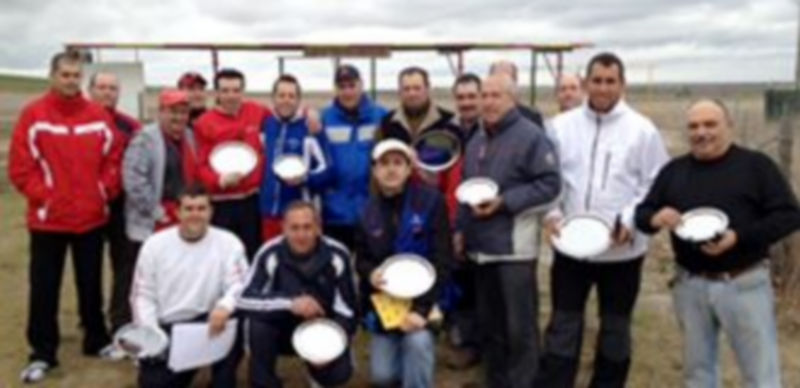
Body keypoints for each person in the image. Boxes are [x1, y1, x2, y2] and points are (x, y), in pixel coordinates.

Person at [635, 99, 800, 388]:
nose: (701, 132)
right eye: (694, 126)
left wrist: (739, 237)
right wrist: (656, 217)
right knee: (698, 374)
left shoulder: (756, 166)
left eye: (710, 124)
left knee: (761, 374)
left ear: (729, 127)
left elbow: (789, 216)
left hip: (745, 282)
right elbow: (642, 215)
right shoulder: (674, 171)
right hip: (690, 285)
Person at [536, 52, 670, 388]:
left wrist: (629, 220)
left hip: (622, 251)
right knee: (564, 324)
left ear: (622, 85)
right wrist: (551, 214)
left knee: (615, 328)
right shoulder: (560, 127)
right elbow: (548, 178)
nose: (603, 88)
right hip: (571, 248)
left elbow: (655, 183)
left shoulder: (642, 131)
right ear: (584, 83)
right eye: (597, 80)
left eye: (611, 81)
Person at [10, 50, 124, 383]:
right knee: (44, 287)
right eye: (65, 75)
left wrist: (103, 191)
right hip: (49, 221)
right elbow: (21, 168)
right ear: (53, 76)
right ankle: (43, 352)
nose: (71, 81)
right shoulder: (34, 115)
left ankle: (96, 339)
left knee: (90, 283)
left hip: (90, 217)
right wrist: (47, 197)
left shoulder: (97, 115)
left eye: (76, 75)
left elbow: (113, 158)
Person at [454, 74, 561, 388]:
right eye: (484, 95)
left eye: (495, 95)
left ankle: (524, 382)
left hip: (514, 248)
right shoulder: (477, 138)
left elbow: (550, 184)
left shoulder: (530, 136)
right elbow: (466, 188)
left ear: (512, 99)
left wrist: (504, 202)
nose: (488, 101)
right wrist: (461, 229)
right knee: (491, 327)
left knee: (520, 329)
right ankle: (497, 381)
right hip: (481, 248)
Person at [355, 139, 452, 388]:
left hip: (423, 303)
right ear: (375, 170)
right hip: (386, 307)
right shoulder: (366, 210)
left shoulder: (431, 202)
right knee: (383, 377)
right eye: (384, 163)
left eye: (398, 163)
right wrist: (370, 274)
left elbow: (442, 260)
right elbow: (362, 259)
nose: (391, 170)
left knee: (417, 343)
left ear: (409, 168)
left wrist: (421, 311)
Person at [131, 184, 248, 388]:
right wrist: (151, 335)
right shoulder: (154, 245)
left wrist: (225, 306)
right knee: (154, 384)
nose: (195, 215)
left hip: (211, 323)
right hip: (169, 328)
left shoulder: (229, 243)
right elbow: (142, 295)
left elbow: (240, 285)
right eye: (189, 209)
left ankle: (222, 378)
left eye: (201, 209)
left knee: (238, 314)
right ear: (177, 212)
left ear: (211, 212)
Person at [238, 201, 357, 388]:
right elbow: (244, 299)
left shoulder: (337, 254)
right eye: (294, 228)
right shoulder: (269, 252)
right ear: (283, 228)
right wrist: (290, 303)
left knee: (339, 376)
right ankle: (265, 382)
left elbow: (349, 310)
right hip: (282, 327)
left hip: (322, 328)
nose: (301, 235)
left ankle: (318, 374)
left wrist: (329, 345)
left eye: (307, 227)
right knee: (257, 326)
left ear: (318, 228)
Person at [122, 89, 199, 329]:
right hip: (155, 218)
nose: (178, 118)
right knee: (145, 279)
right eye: (172, 112)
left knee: (175, 275)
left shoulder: (190, 136)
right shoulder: (145, 138)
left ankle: (171, 322)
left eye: (183, 112)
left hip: (182, 215)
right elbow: (133, 179)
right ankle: (137, 327)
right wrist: (156, 211)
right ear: (161, 112)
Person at [88, 70, 143, 338]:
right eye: (102, 87)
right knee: (88, 266)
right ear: (91, 90)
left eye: (112, 88)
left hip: (122, 205)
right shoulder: (79, 122)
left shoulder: (130, 126)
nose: (107, 92)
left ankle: (121, 319)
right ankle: (91, 321)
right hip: (87, 205)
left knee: (124, 264)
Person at [194, 68, 269, 259]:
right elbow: (200, 165)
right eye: (225, 90)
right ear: (217, 93)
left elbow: (282, 116)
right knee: (222, 256)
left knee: (252, 253)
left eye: (236, 90)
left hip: (251, 201)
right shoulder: (204, 123)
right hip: (222, 203)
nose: (231, 96)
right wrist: (219, 180)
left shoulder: (257, 112)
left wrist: (308, 114)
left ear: (243, 91)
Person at [320, 64, 388, 248]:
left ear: (361, 85)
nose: (347, 92)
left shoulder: (381, 116)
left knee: (370, 268)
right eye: (342, 87)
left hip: (373, 211)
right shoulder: (323, 118)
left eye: (352, 86)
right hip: (335, 214)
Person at [260, 74, 334, 241]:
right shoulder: (266, 125)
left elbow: (329, 172)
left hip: (301, 218)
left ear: (299, 100)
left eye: (291, 96)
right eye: (281, 95)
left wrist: (304, 179)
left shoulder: (311, 128)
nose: (286, 100)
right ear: (273, 98)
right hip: (269, 214)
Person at [443, 72, 482, 370]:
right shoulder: (447, 133)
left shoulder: (493, 129)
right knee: (460, 280)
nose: (467, 103)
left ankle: (488, 343)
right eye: (461, 97)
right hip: (455, 218)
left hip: (487, 218)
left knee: (487, 284)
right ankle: (464, 340)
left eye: (472, 96)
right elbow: (438, 174)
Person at [488, 59, 545, 128]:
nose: (502, 85)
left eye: (507, 80)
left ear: (515, 82)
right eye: (498, 79)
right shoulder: (480, 121)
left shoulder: (532, 118)